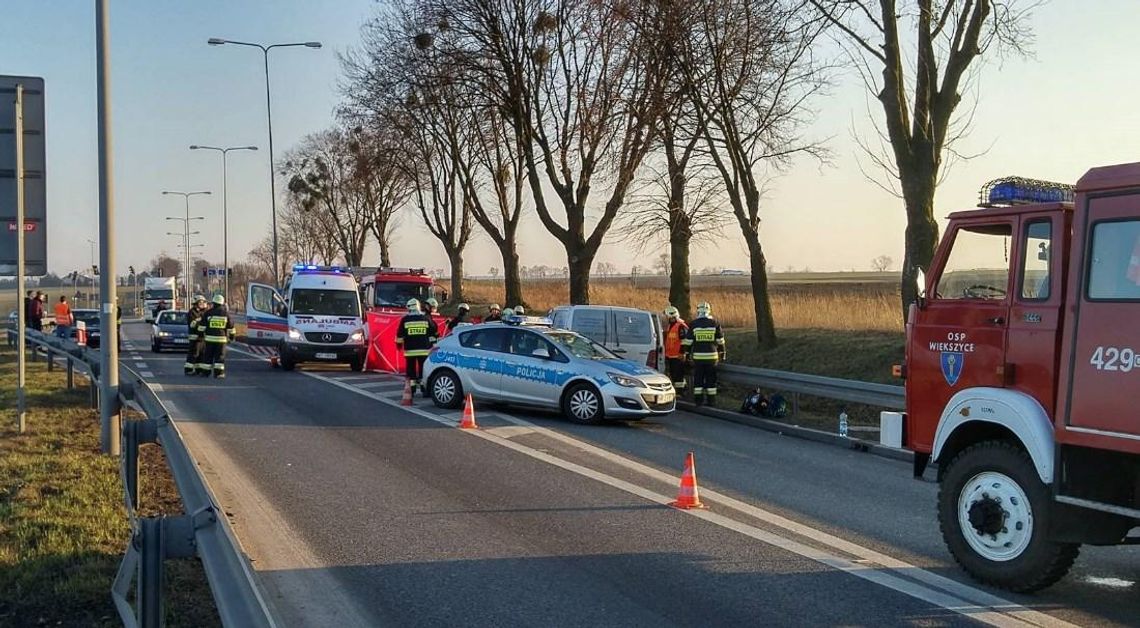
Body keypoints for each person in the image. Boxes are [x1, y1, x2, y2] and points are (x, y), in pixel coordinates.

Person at [682, 301, 725, 407]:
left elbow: (688, 342)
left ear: (698, 311)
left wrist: (686, 355)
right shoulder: (715, 323)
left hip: (698, 358)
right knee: (711, 380)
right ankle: (711, 401)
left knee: (698, 380)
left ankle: (698, 401)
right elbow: (721, 341)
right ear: (709, 310)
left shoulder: (694, 324)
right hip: (712, 358)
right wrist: (723, 353)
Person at [395, 298, 437, 399]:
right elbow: (433, 331)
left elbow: (400, 335)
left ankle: (411, 390)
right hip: (424, 350)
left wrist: (399, 345)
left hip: (410, 351)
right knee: (424, 371)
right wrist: (433, 344)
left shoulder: (405, 319)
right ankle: (425, 390)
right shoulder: (425, 318)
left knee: (411, 371)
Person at [195, 294, 234, 378]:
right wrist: (231, 337)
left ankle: (206, 372)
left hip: (209, 340)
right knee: (220, 357)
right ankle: (219, 373)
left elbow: (202, 327)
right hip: (221, 340)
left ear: (213, 303)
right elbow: (231, 327)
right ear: (222, 303)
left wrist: (200, 336)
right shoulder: (226, 314)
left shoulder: (208, 313)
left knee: (208, 356)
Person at [662, 305, 689, 393]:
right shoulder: (671, 326)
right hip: (671, 355)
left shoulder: (681, 326)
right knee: (675, 374)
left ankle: (680, 392)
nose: (665, 318)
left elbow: (685, 341)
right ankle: (681, 390)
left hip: (678, 356)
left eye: (666, 316)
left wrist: (682, 353)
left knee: (678, 375)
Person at [186, 295, 208, 375]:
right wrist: (200, 319)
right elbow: (192, 324)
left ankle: (199, 369)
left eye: (204, 302)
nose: (203, 304)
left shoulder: (204, 312)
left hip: (202, 337)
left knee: (202, 354)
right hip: (195, 337)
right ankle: (189, 369)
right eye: (201, 302)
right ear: (196, 303)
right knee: (194, 354)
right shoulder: (192, 312)